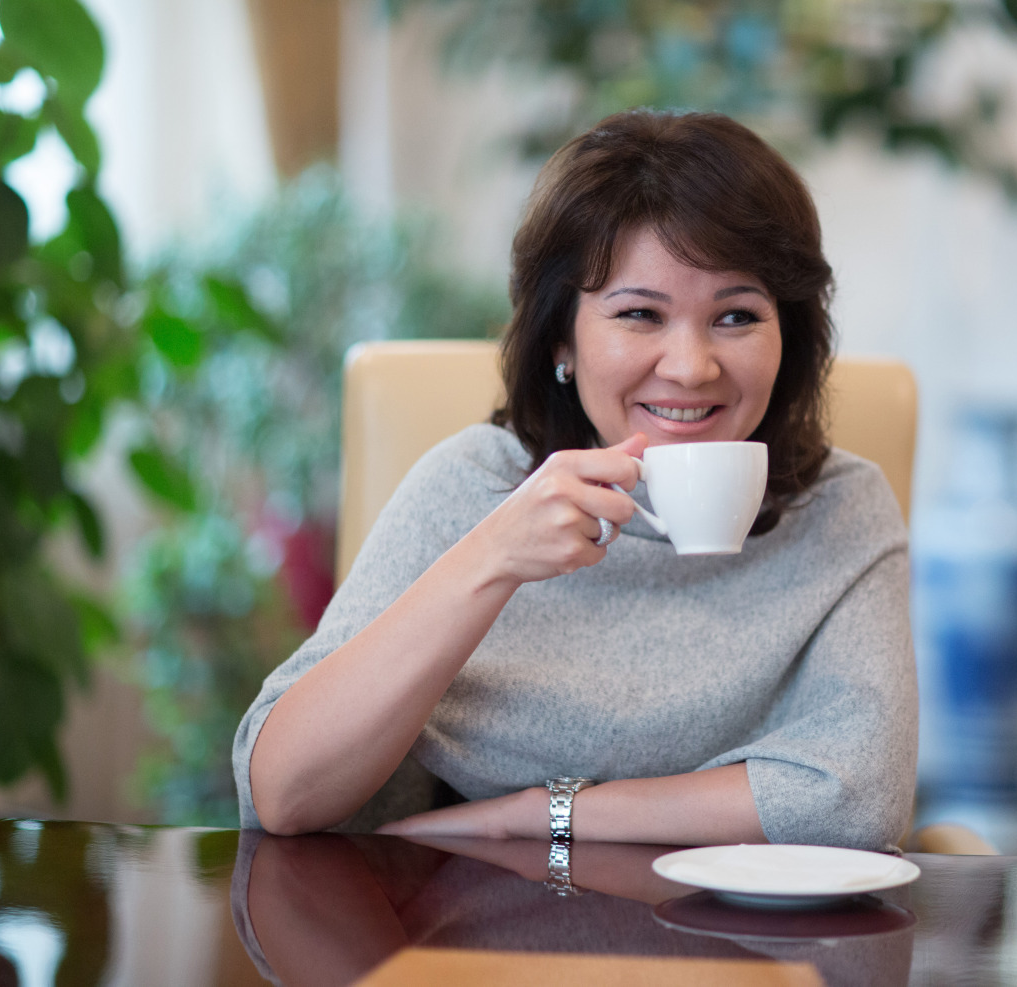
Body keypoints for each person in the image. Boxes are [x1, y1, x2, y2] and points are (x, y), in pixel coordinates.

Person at [232, 109, 916, 851]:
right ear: (562, 338)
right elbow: (285, 791)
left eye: (736, 315)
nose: (690, 366)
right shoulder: (476, 486)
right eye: (639, 314)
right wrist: (494, 557)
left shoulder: (842, 508)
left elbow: (859, 797)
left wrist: (537, 818)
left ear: (788, 333)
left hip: (741, 956)